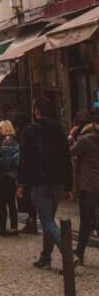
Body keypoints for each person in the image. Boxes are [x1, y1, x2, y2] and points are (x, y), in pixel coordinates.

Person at [18, 96, 73, 269]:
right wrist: (69, 185)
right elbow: (66, 159)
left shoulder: (29, 131)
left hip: (39, 183)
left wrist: (21, 183)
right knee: (48, 220)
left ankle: (69, 254)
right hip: (57, 183)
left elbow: (25, 160)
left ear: (37, 111)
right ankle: (46, 257)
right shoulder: (59, 131)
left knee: (47, 221)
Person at [69, 112, 99, 265]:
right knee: (93, 219)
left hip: (88, 186)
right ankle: (79, 251)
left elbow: (69, 151)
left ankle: (79, 252)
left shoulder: (86, 140)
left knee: (86, 220)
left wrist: (71, 135)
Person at [0, 120, 20, 236]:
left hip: (5, 176)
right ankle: (14, 227)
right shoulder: (15, 143)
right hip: (13, 176)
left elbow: (2, 162)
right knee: (11, 202)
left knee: (2, 203)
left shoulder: (6, 143)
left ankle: (2, 227)